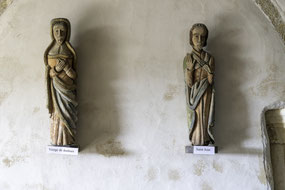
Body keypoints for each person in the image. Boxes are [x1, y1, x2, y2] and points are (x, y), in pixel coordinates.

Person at [44, 18, 78, 146]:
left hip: (68, 91)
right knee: (57, 114)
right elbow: (49, 74)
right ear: (52, 33)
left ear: (67, 32)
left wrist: (67, 68)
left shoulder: (70, 52)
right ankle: (57, 140)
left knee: (68, 114)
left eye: (62, 31)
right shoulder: (49, 52)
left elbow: (74, 76)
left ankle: (68, 140)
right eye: (56, 31)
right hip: (56, 90)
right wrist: (57, 69)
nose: (59, 35)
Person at [183, 23, 215, 146]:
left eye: (203, 36)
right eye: (196, 36)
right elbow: (189, 84)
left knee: (205, 116)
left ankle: (205, 139)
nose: (199, 40)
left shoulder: (210, 58)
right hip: (194, 95)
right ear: (191, 38)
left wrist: (210, 72)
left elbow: (211, 82)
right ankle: (196, 140)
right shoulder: (188, 59)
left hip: (206, 92)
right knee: (196, 116)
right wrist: (190, 70)